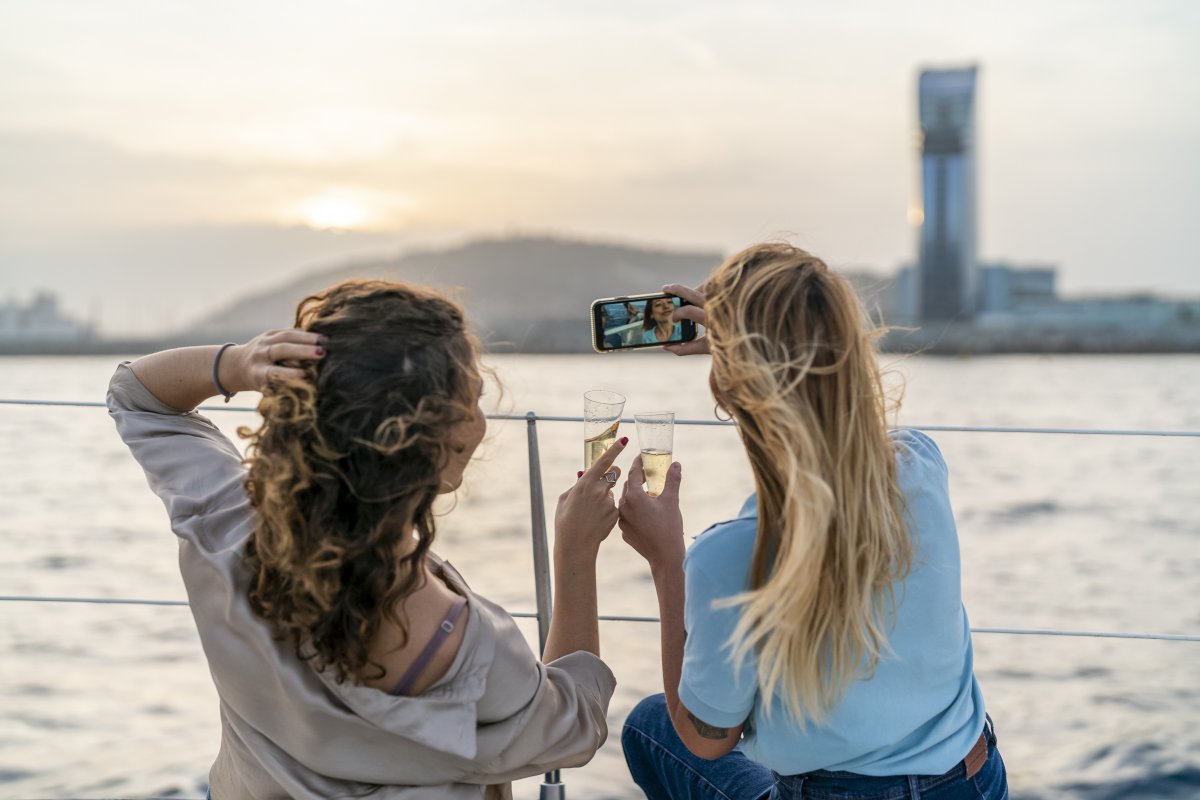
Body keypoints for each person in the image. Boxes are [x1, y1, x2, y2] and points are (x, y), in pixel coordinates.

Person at [107, 279, 627, 799]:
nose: (481, 422)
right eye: (471, 401)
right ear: (421, 438)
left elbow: (138, 395)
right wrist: (575, 551)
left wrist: (239, 364)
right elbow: (576, 727)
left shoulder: (227, 519)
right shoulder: (456, 643)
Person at [616, 244, 1008, 799]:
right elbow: (839, 422)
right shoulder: (922, 467)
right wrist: (745, 356)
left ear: (726, 389)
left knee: (650, 726)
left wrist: (666, 561)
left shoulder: (731, 557)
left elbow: (705, 738)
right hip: (974, 784)